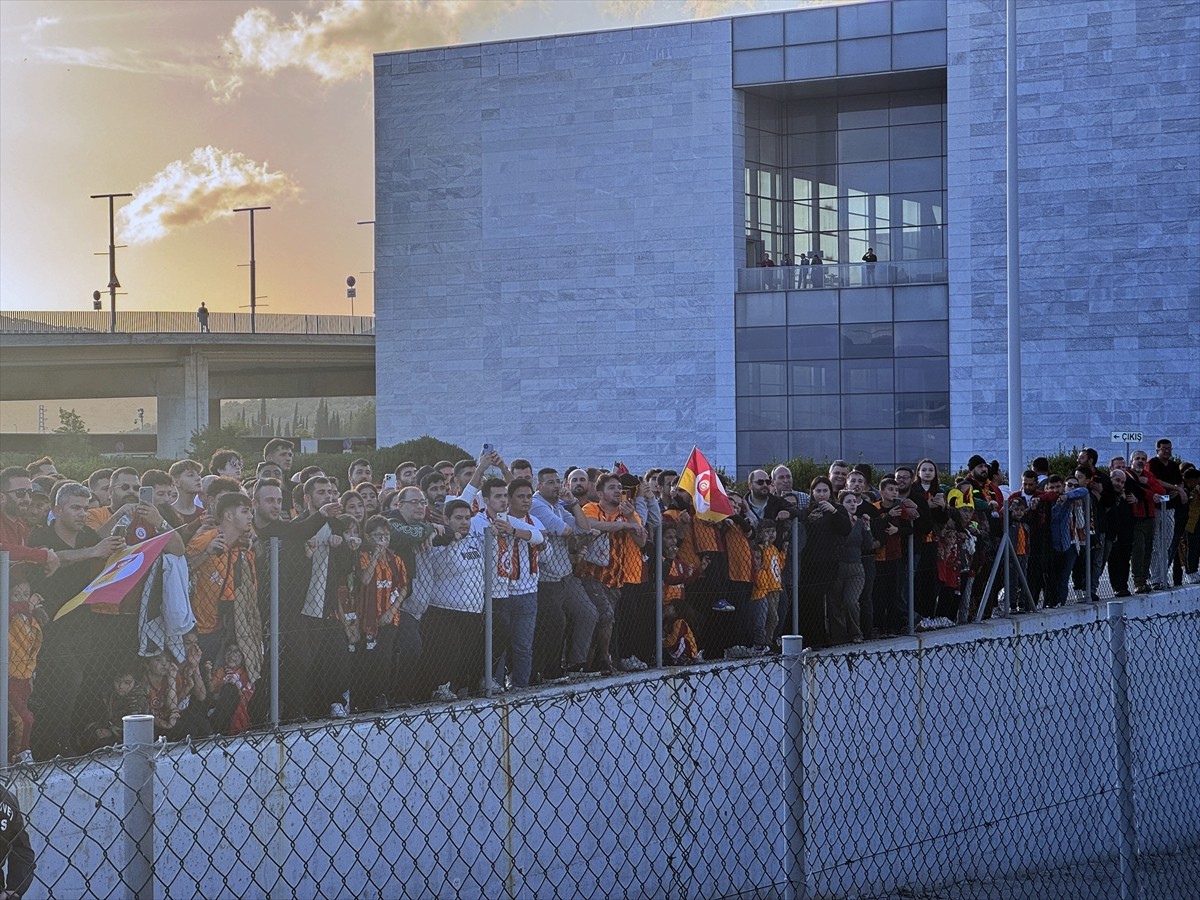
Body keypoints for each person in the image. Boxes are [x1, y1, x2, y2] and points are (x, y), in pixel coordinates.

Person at [0, 783, 36, 898]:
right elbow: (21, 847)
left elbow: (20, 847)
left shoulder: (7, 800)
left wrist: (14, 888)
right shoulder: (7, 799)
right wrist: (14, 889)